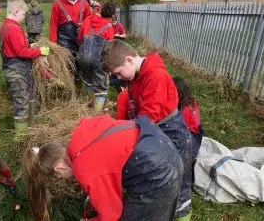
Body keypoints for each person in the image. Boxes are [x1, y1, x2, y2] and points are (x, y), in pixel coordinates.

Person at [23, 114, 183, 221]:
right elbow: (104, 169)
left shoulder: (84, 170)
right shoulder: (82, 134)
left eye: (57, 176)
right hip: (158, 141)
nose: (60, 179)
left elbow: (111, 215)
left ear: (58, 168)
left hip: (158, 169)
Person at [101, 40, 193, 221]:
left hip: (172, 132)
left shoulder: (155, 76)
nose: (119, 78)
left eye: (119, 72)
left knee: (179, 179)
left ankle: (182, 215)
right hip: (156, 130)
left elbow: (149, 116)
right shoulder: (137, 75)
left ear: (128, 60)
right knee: (166, 177)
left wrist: (126, 136)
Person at [0, 0, 50, 132]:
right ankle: (21, 135)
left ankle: (29, 125)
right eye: (23, 14)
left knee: (27, 97)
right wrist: (39, 51)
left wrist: (30, 45)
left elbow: (17, 46)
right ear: (16, 12)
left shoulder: (6, 26)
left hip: (13, 69)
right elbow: (21, 52)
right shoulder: (14, 29)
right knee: (21, 102)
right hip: (17, 72)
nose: (23, 17)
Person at [49, 0, 91, 84]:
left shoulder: (84, 3)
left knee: (81, 61)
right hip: (64, 39)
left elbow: (89, 20)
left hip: (80, 38)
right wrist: (53, 43)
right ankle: (68, 82)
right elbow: (53, 25)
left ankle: (80, 80)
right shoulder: (57, 4)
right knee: (68, 61)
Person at [77, 3, 115, 111]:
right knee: (101, 88)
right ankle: (96, 113)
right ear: (112, 15)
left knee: (88, 82)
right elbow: (109, 48)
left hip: (83, 57)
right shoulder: (108, 26)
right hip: (98, 59)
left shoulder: (87, 19)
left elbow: (80, 38)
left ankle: (92, 104)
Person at [173, 77, 204, 160]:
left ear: (179, 93)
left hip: (191, 141)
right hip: (198, 135)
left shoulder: (185, 111)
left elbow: (178, 129)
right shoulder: (192, 103)